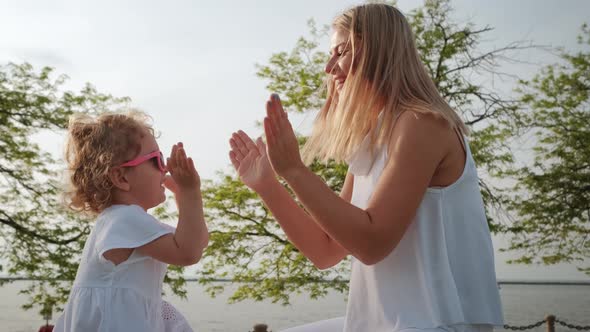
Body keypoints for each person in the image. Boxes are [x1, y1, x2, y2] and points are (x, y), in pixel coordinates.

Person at [229, 3, 503, 332]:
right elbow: (325, 250)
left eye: (342, 52)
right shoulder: (374, 142)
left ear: (380, 51)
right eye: (330, 55)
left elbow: (372, 243)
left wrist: (295, 171)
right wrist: (268, 186)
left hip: (440, 324)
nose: (330, 67)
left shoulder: (423, 124)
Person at [54, 110, 208, 332]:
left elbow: (199, 241)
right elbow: (188, 252)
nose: (164, 167)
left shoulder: (122, 221)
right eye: (156, 160)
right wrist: (190, 192)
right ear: (121, 177)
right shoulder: (124, 218)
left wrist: (186, 199)